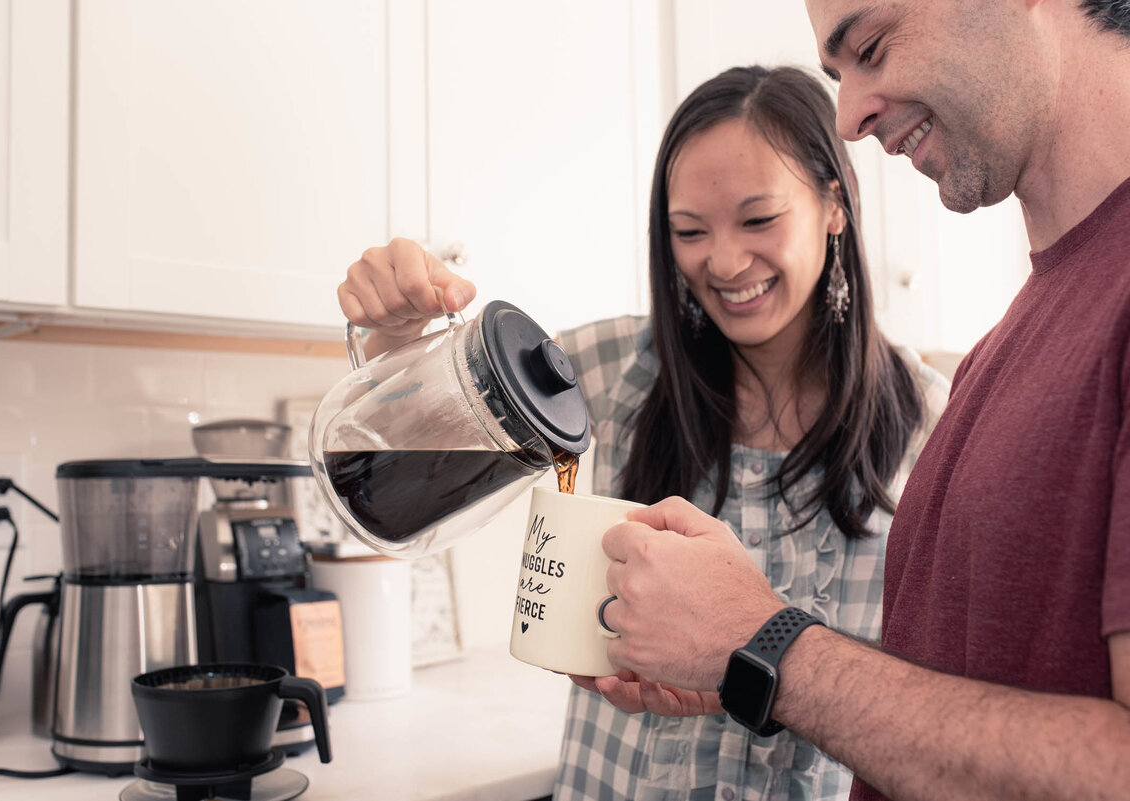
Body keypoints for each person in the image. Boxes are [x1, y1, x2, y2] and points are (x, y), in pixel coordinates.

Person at [337, 66, 948, 800]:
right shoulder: (610, 368)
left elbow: (929, 702)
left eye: (758, 220)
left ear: (835, 203)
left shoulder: (933, 423)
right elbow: (404, 450)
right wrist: (399, 340)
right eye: (690, 231)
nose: (722, 262)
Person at [589, 2, 1130, 800]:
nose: (847, 118)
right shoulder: (1005, 349)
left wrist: (767, 643)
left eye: (872, 44)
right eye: (838, 72)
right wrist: (744, 666)